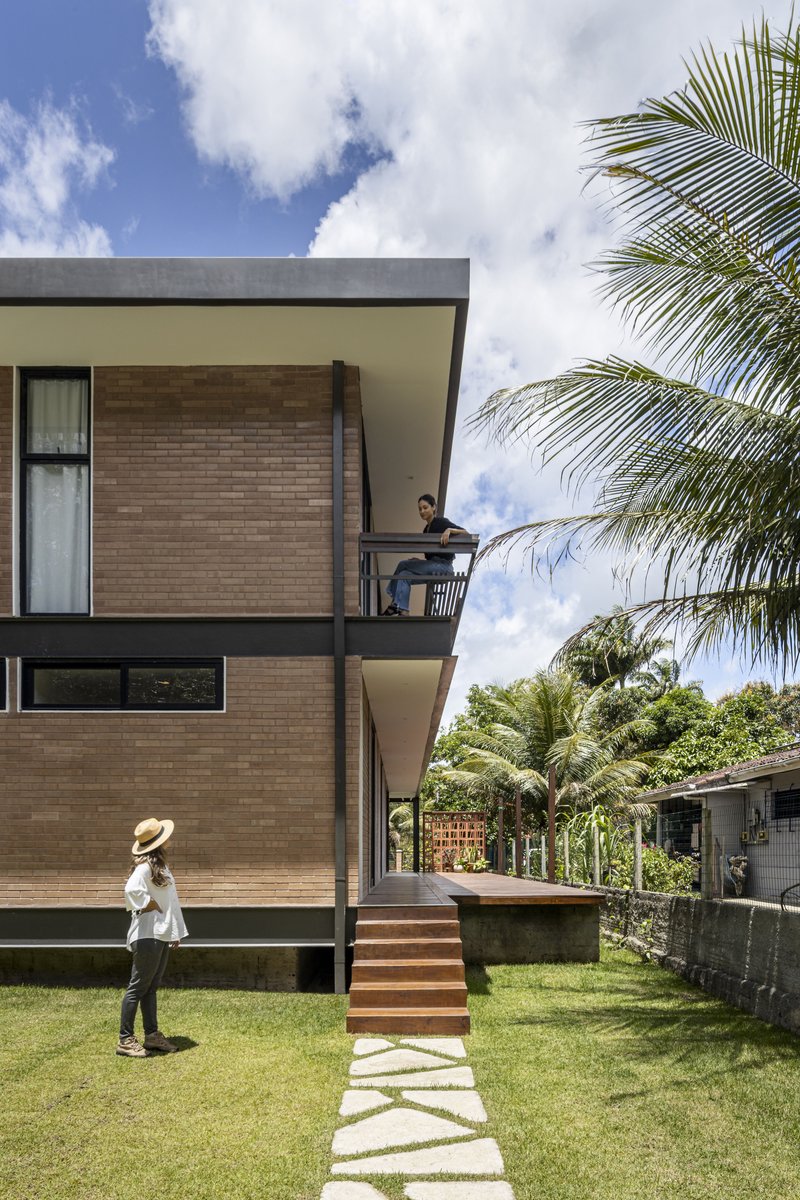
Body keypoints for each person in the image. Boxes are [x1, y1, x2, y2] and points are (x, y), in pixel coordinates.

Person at [116, 816, 188, 1058]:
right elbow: (130, 890)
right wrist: (148, 903)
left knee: (150, 987)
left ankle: (152, 1036)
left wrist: (174, 931)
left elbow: (172, 903)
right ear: (159, 843)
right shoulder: (144, 868)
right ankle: (125, 1040)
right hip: (147, 935)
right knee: (138, 987)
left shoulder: (160, 868)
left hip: (159, 934)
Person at [383, 493, 470, 616]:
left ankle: (394, 603)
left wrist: (449, 530)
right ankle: (403, 610)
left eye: (425, 507)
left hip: (444, 568)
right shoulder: (425, 530)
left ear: (433, 507)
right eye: (420, 509)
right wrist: (418, 560)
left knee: (403, 564)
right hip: (433, 566)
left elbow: (466, 533)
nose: (422, 511)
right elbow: (430, 558)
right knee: (404, 575)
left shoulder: (440, 522)